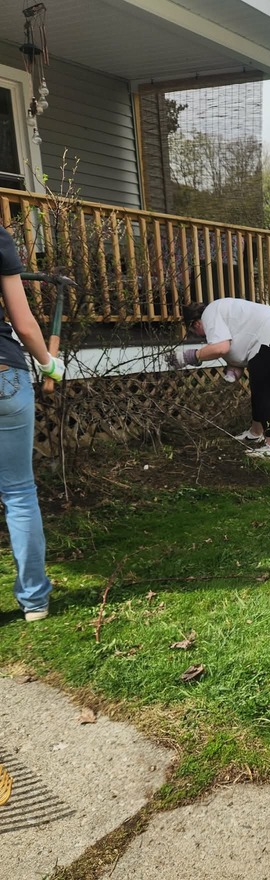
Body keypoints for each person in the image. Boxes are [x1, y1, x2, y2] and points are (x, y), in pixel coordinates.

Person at [0, 226, 65, 621]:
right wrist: (49, 363)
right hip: (4, 373)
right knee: (20, 492)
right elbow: (24, 324)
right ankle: (34, 601)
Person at [171, 298, 270, 461]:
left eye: (195, 333)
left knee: (264, 393)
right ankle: (256, 433)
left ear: (196, 324)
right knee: (259, 387)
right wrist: (235, 366)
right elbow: (238, 346)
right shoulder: (221, 311)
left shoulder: (209, 314)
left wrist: (189, 356)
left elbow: (221, 348)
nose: (202, 338)